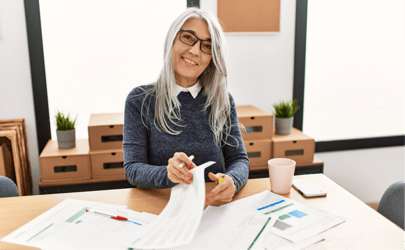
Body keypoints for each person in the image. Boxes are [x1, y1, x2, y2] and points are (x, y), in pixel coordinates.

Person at [123, 7, 249, 202]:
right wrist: (168, 173)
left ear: (212, 58)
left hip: (212, 205)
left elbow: (238, 159)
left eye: (207, 46)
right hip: (161, 207)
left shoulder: (222, 100)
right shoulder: (139, 100)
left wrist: (232, 179)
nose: (195, 51)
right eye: (188, 38)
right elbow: (133, 169)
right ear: (172, 39)